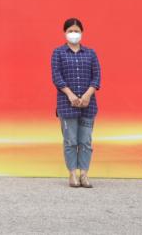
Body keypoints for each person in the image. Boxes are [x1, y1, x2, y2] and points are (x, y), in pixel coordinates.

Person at [51, 17, 101, 188]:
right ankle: (72, 174)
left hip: (88, 105)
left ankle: (84, 174)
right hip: (67, 104)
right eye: (70, 31)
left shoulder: (90, 53)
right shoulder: (58, 53)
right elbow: (57, 77)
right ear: (64, 33)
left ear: (82, 33)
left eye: (77, 31)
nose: (74, 34)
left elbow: (96, 77)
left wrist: (87, 95)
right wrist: (70, 95)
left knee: (85, 141)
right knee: (70, 141)